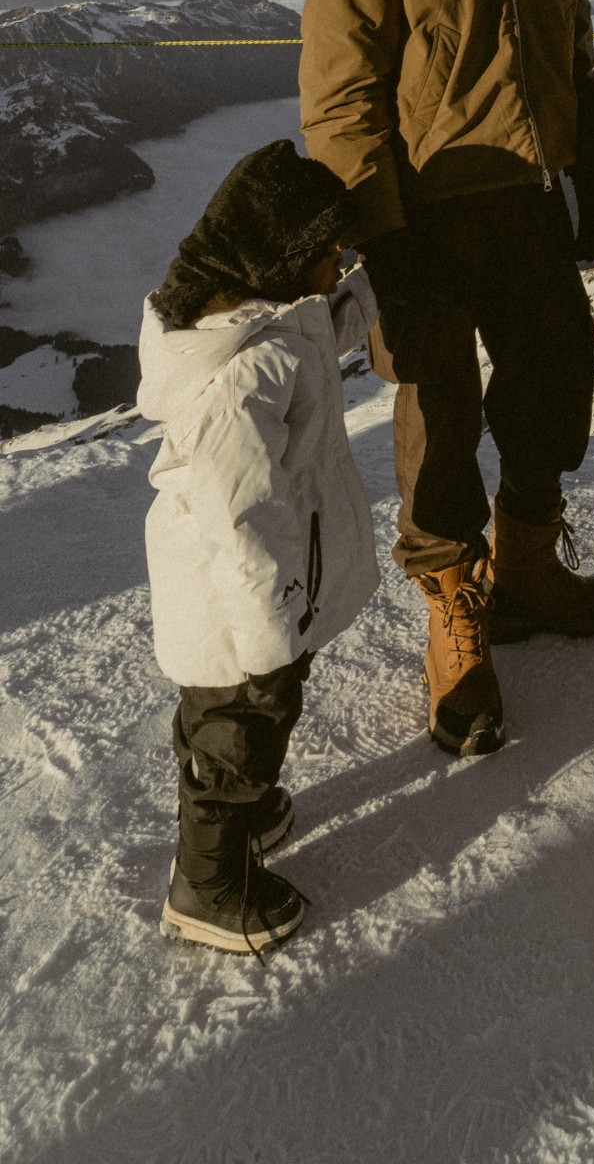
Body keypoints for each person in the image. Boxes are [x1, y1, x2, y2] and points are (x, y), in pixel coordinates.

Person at [300, 0, 594, 761]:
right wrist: (374, 223)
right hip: (426, 205)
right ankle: (455, 609)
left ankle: (528, 568)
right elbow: (342, 79)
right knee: (438, 411)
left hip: (530, 190)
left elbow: (571, 33)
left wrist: (592, 171)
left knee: (548, 379)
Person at [138, 140, 381, 954]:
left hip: (258, 597)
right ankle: (206, 883)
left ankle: (238, 815)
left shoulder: (265, 323)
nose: (337, 261)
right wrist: (268, 636)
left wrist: (372, 287)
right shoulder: (242, 380)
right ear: (278, 258)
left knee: (233, 729)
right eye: (326, 252)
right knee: (237, 734)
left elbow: (320, 328)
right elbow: (241, 519)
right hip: (237, 608)